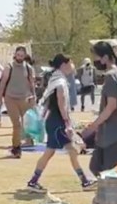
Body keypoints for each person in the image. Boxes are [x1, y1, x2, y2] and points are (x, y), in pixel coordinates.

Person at [26, 54, 97, 193]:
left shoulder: (55, 79)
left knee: (62, 151)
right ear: (64, 64)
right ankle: (84, 181)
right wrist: (67, 122)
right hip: (58, 122)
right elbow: (61, 103)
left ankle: (34, 181)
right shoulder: (60, 82)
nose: (72, 65)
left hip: (54, 121)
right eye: (70, 62)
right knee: (64, 151)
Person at [83, 41, 117, 175]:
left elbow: (111, 106)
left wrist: (93, 126)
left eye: (95, 58)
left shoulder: (111, 76)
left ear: (104, 58)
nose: (94, 61)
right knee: (95, 167)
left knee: (110, 175)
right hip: (107, 136)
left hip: (115, 136)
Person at [0, 45, 36, 158]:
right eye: (18, 55)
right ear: (15, 55)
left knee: (26, 122)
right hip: (11, 98)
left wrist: (34, 95)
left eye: (22, 55)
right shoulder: (9, 67)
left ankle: (29, 140)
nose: (19, 57)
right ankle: (16, 148)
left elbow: (31, 83)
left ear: (25, 56)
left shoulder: (29, 68)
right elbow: (3, 83)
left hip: (24, 98)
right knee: (17, 124)